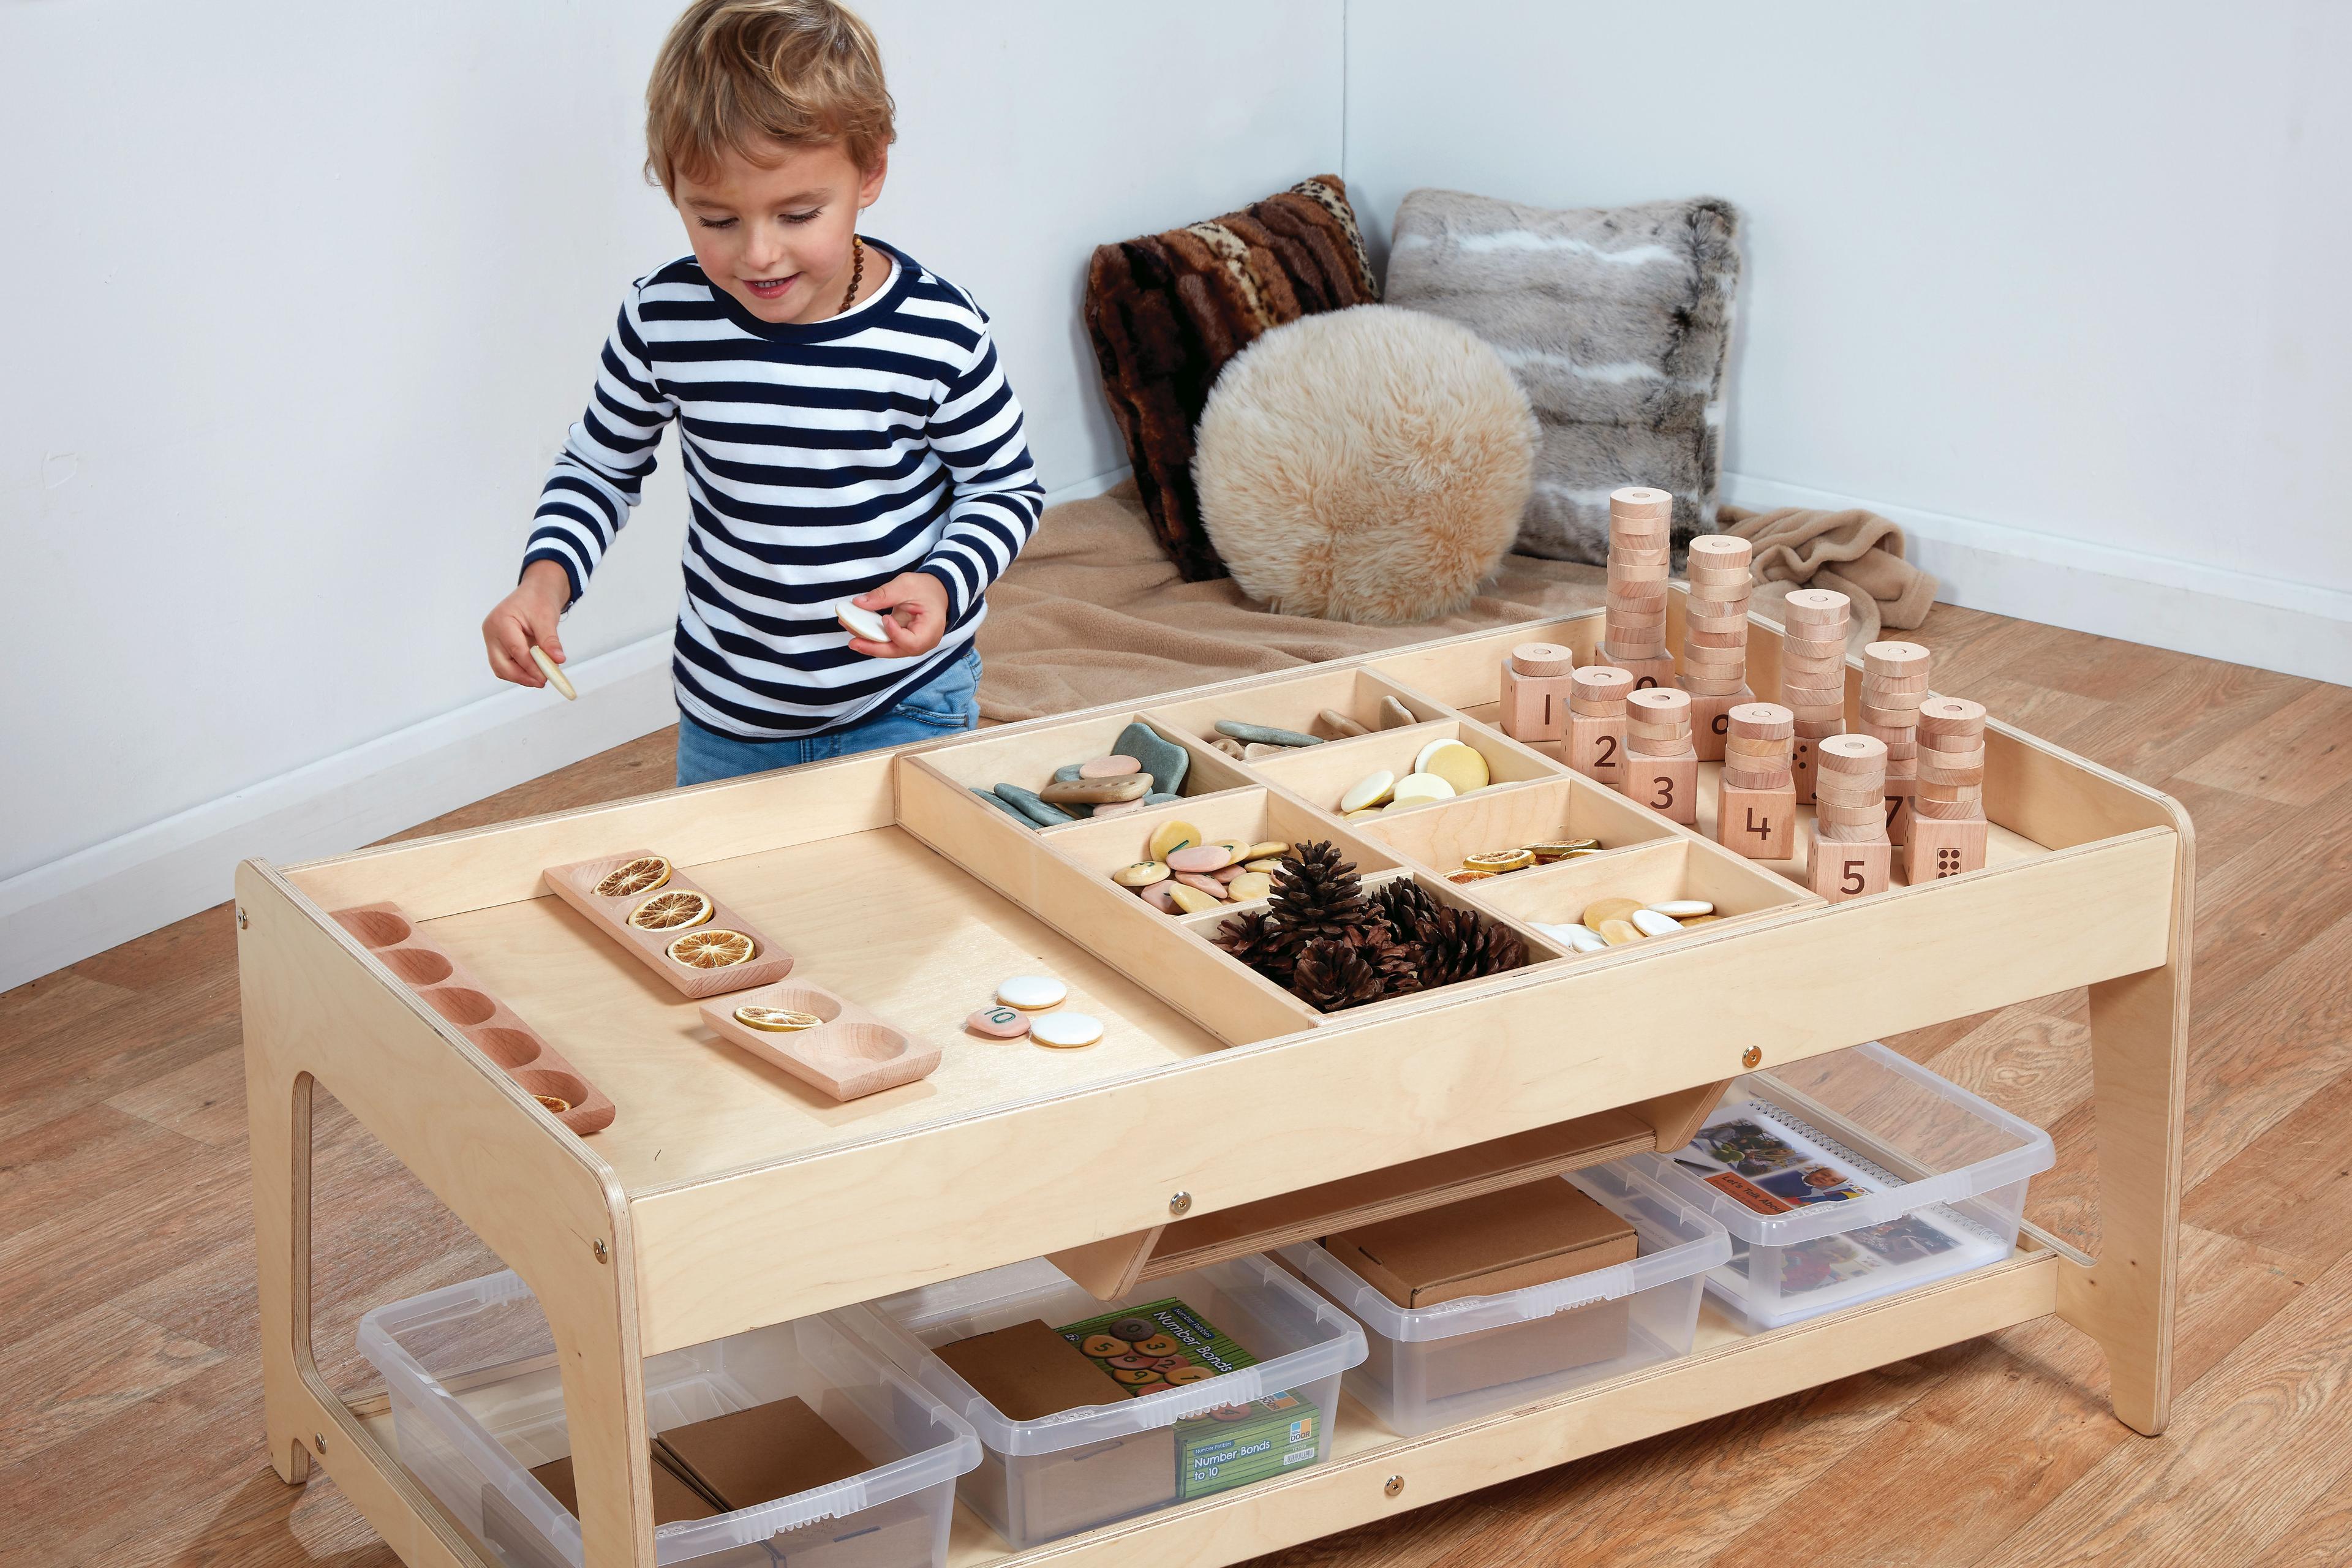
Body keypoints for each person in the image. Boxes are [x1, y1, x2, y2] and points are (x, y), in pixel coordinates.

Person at [480, 0, 1041, 785]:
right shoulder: (662, 319)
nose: (759, 254)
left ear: (870, 170)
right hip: (729, 714)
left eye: (799, 213)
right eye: (714, 219)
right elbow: (600, 467)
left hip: (906, 698)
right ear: (672, 190)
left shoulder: (938, 331)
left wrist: (945, 583)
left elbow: (1005, 486)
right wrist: (543, 584)